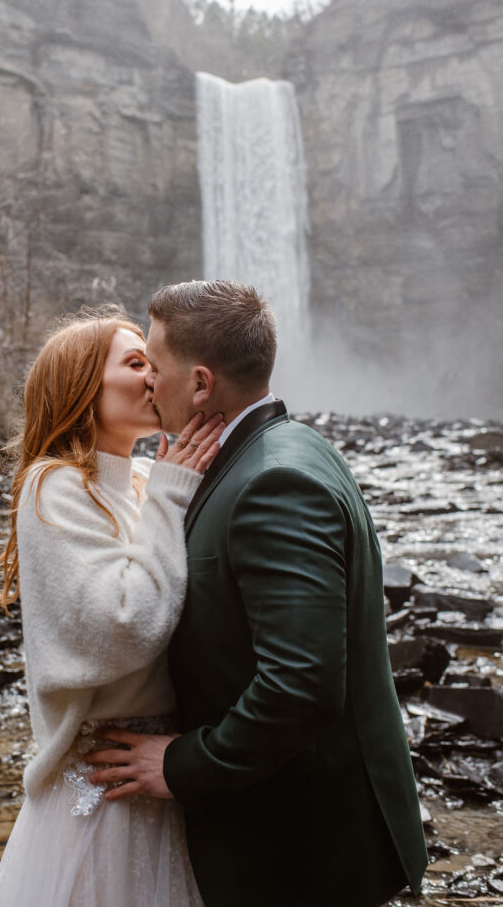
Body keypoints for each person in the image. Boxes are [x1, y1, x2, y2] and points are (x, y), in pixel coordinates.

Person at [86, 280, 428, 907]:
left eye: (154, 369)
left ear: (200, 385)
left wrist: (182, 764)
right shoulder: (273, 451)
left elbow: (301, 687)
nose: (146, 384)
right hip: (294, 825)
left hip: (302, 846)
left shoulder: (275, 482)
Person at [0, 308, 225, 907]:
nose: (153, 377)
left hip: (164, 770)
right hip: (106, 782)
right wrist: (173, 493)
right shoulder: (55, 483)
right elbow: (124, 625)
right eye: (135, 363)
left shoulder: (147, 477)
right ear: (81, 385)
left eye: (155, 363)